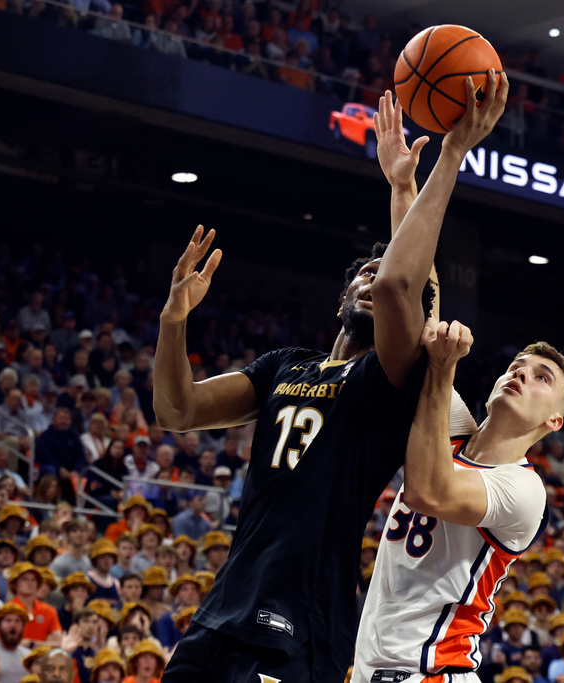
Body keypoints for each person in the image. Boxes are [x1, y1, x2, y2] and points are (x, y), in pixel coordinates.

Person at [159, 75, 505, 683]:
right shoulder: (282, 365)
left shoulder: (388, 377)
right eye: (364, 274)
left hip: (303, 616)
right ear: (342, 296)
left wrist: (444, 160)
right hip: (223, 609)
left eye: (384, 273)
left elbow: (408, 285)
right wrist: (172, 321)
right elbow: (178, 411)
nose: (376, 281)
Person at [352, 315, 564, 680]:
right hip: (377, 668)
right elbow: (418, 335)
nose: (520, 375)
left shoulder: (526, 490)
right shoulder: (451, 429)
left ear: (553, 420)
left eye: (542, 378)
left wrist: (444, 367)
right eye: (515, 367)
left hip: (433, 672)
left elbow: (428, 493)